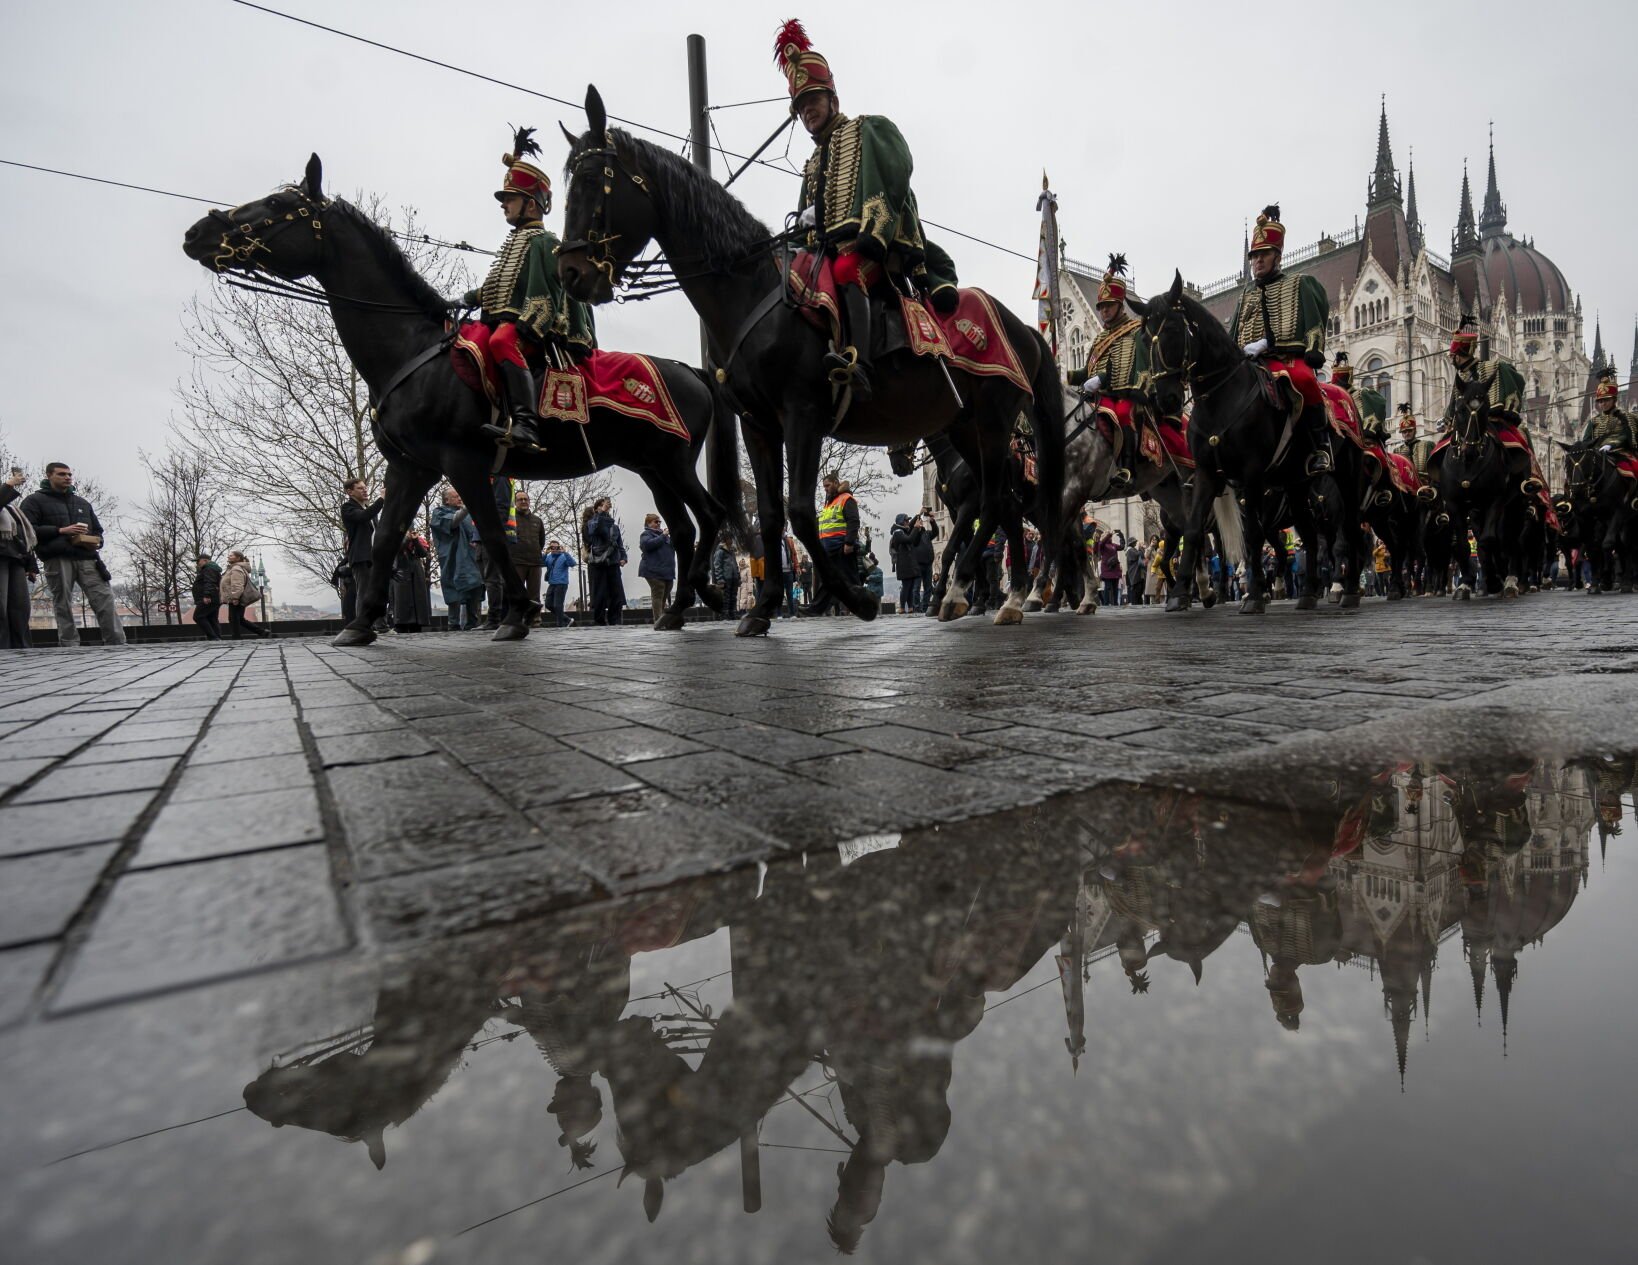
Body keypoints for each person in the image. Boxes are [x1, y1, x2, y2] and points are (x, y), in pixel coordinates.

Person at [777, 19, 957, 405]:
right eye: (802, 106)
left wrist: (873, 230)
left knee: (845, 269)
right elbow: (804, 222)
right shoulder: (810, 164)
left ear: (832, 100)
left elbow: (895, 172)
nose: (808, 111)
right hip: (823, 251)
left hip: (870, 248)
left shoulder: (866, 130)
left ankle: (858, 360)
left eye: (814, 101)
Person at [451, 126, 596, 450]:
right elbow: (496, 288)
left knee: (502, 339)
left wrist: (527, 326)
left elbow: (545, 295)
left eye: (510, 199)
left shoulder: (544, 242)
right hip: (511, 319)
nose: (504, 205)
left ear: (531, 204)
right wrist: (462, 299)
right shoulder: (515, 242)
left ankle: (526, 424)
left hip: (541, 325)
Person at [1228, 205, 1332, 474]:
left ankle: (1322, 446)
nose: (1257, 262)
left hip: (1284, 360)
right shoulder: (1245, 296)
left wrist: (1313, 350)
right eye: (1254, 257)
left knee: (1305, 379)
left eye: (1263, 255)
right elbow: (1231, 337)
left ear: (1277, 256)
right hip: (1250, 365)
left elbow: (1314, 321)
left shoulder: (1299, 284)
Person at [20, 461, 126, 647]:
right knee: (63, 604)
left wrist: (95, 540)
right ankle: (69, 645)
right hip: (57, 558)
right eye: (61, 474)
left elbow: (99, 531)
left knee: (105, 600)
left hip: (87, 558)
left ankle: (117, 643)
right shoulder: (33, 501)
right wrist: (61, 530)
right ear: (49, 476)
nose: (67, 477)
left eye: (69, 474)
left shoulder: (82, 503)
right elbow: (27, 531)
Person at [1071, 254, 1151, 490]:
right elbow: (1088, 371)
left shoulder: (1136, 330)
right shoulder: (1100, 338)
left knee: (1123, 413)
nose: (1103, 311)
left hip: (1125, 393)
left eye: (1108, 306)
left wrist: (1104, 379)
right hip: (1099, 394)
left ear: (1119, 304)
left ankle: (1127, 468)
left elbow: (1140, 366)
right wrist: (1065, 377)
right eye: (1101, 307)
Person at [429, 487, 486, 629]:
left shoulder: (469, 515)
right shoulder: (439, 513)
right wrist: (467, 509)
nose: (460, 498)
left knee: (475, 587)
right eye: (456, 496)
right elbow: (452, 523)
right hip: (453, 559)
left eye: (461, 496)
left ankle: (472, 623)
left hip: (471, 559)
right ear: (447, 500)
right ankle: (453, 624)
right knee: (454, 589)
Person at [341, 477, 390, 634]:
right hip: (361, 556)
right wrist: (381, 499)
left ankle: (381, 626)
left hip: (374, 556)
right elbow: (363, 517)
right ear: (350, 492)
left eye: (365, 487)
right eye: (360, 488)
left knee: (378, 591)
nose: (365, 490)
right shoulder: (348, 507)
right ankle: (361, 627)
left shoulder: (368, 508)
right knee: (364, 592)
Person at [810, 470, 859, 614]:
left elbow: (853, 521)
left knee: (849, 579)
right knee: (832, 580)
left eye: (828, 485)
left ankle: (863, 605)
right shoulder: (829, 503)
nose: (825, 489)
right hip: (830, 549)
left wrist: (849, 543)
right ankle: (816, 608)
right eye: (824, 487)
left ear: (836, 483)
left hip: (841, 547)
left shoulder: (846, 499)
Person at [1, 466, 39, 649]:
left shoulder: (11, 508)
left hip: (15, 558)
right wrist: (8, 485)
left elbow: (23, 536)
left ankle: (22, 648)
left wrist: (31, 565)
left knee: (20, 607)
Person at [582, 497, 626, 627]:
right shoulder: (591, 523)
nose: (605, 507)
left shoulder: (614, 526)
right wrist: (601, 514)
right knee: (599, 594)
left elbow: (619, 544)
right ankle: (599, 620)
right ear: (596, 509)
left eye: (606, 506)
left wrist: (623, 557)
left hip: (613, 562)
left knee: (616, 593)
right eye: (601, 506)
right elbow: (595, 530)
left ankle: (615, 620)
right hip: (598, 563)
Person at [1579, 367, 1634, 452]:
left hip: (1620, 453)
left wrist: (1611, 445)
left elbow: (1626, 436)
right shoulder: (1593, 421)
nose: (1603, 404)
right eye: (1600, 401)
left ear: (1614, 400)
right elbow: (1586, 441)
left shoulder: (1624, 417)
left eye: (1606, 400)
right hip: (1598, 454)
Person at [511, 490, 546, 625]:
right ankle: (517, 619)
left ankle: (535, 618)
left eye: (526, 499)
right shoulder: (511, 518)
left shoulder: (538, 520)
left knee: (534, 594)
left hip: (535, 562)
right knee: (517, 593)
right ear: (515, 502)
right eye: (520, 499)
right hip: (517, 562)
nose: (524, 501)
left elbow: (541, 541)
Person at [220, 550, 272, 639]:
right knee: (239, 619)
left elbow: (237, 584)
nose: (228, 556)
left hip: (236, 597)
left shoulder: (236, 569)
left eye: (231, 555)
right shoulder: (235, 568)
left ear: (238, 558)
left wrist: (235, 597)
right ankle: (262, 632)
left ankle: (236, 637)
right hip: (235, 597)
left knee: (234, 619)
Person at [637, 512, 676, 624]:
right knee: (658, 591)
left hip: (666, 571)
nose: (658, 524)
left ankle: (661, 617)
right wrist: (663, 536)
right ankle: (658, 620)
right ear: (649, 523)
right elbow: (647, 545)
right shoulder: (646, 534)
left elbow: (672, 547)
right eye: (656, 522)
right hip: (652, 570)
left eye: (659, 522)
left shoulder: (664, 536)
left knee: (665, 592)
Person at [391, 532, 433, 632]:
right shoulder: (395, 537)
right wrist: (407, 539)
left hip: (416, 573)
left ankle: (417, 623)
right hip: (401, 572)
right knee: (402, 601)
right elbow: (398, 549)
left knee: (417, 600)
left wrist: (415, 540)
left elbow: (423, 553)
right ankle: (401, 625)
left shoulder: (417, 539)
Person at [542, 538, 578, 627]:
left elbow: (573, 563)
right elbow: (540, 563)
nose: (554, 549)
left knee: (557, 605)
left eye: (556, 547)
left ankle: (560, 625)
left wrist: (565, 552)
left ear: (559, 547)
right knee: (548, 604)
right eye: (552, 547)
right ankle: (567, 619)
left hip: (561, 583)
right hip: (552, 583)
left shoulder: (563, 556)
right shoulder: (549, 557)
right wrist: (545, 554)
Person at [191, 551, 223, 641]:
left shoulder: (208, 569)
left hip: (209, 597)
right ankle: (217, 637)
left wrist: (207, 595)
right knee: (212, 618)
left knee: (198, 616)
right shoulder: (212, 568)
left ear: (205, 560)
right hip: (214, 597)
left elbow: (209, 582)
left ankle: (213, 637)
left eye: (198, 561)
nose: (197, 564)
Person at [711, 536, 740, 619]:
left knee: (733, 596)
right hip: (726, 577)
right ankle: (725, 614)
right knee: (726, 597)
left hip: (733, 577)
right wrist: (720, 579)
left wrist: (738, 576)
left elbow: (735, 564)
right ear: (725, 540)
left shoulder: (731, 551)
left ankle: (732, 613)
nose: (731, 540)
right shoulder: (720, 551)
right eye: (729, 538)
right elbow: (717, 565)